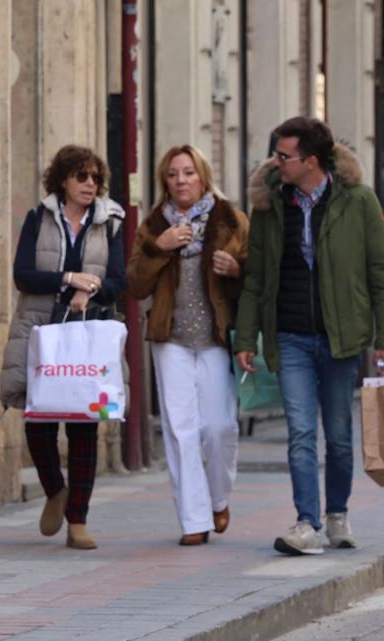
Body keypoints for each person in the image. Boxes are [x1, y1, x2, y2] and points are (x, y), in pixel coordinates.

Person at [235, 117, 384, 556]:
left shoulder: (359, 202)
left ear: (311, 160)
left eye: (284, 156)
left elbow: (382, 275)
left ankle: (337, 514)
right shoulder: (270, 207)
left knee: (341, 438)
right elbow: (256, 277)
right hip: (289, 337)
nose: (277, 162)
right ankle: (306, 522)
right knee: (301, 432)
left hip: (341, 338)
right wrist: (246, 338)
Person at [0, 145, 126, 550]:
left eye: (94, 178)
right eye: (81, 177)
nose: (89, 184)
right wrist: (70, 278)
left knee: (85, 424)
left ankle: (78, 521)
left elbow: (119, 280)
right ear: (63, 181)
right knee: (38, 421)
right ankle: (55, 488)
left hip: (88, 332)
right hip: (41, 331)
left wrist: (92, 290)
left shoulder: (111, 222)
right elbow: (23, 275)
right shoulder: (40, 217)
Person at [128, 144, 249, 546]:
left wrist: (236, 269)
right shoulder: (153, 225)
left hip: (215, 338)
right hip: (171, 338)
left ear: (203, 177)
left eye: (188, 173)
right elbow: (135, 284)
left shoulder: (229, 219)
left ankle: (218, 498)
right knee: (180, 432)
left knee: (219, 427)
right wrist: (157, 249)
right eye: (173, 174)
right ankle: (193, 521)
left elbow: (256, 277)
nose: (181, 181)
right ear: (165, 180)